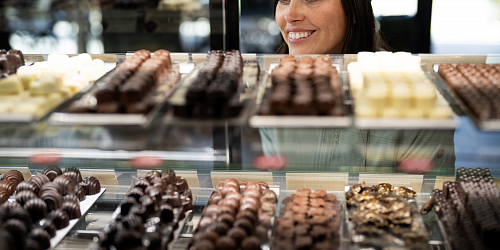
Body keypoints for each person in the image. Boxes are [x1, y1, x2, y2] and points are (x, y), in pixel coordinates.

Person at [259, 0, 455, 174]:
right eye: (283, 0)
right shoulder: (270, 93)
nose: (290, 15)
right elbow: (280, 189)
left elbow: (425, 205)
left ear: (354, 9)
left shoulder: (417, 98)